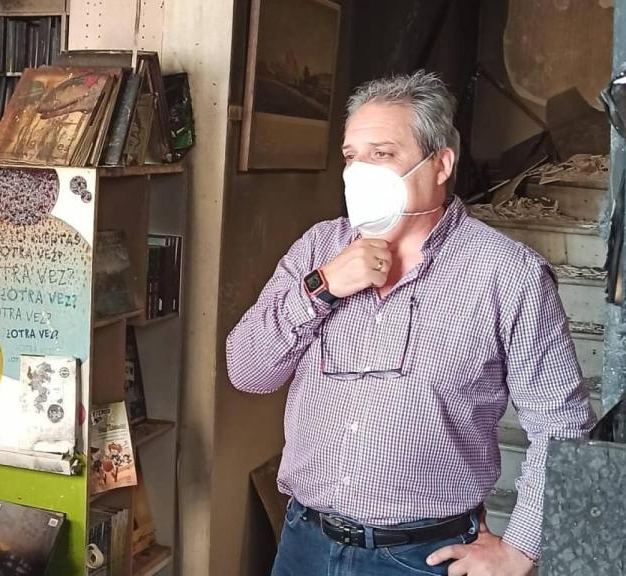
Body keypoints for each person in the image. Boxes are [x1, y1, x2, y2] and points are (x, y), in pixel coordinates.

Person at [226, 70, 595, 576]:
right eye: (352, 157)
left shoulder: (507, 272)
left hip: (422, 557)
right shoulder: (318, 249)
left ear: (440, 163)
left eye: (382, 154)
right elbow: (248, 371)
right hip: (304, 543)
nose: (360, 173)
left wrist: (522, 549)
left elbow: (561, 421)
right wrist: (322, 287)